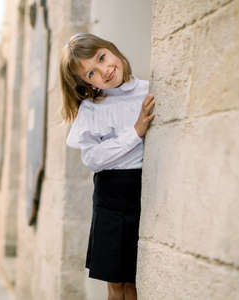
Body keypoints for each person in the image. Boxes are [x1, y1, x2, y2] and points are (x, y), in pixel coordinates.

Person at [60, 32, 155, 300]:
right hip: (110, 196)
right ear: (85, 83)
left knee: (135, 280)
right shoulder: (93, 108)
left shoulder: (148, 91)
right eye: (91, 73)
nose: (104, 71)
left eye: (102, 58)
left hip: (143, 191)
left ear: (111, 49)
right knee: (115, 283)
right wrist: (135, 133)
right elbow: (92, 158)